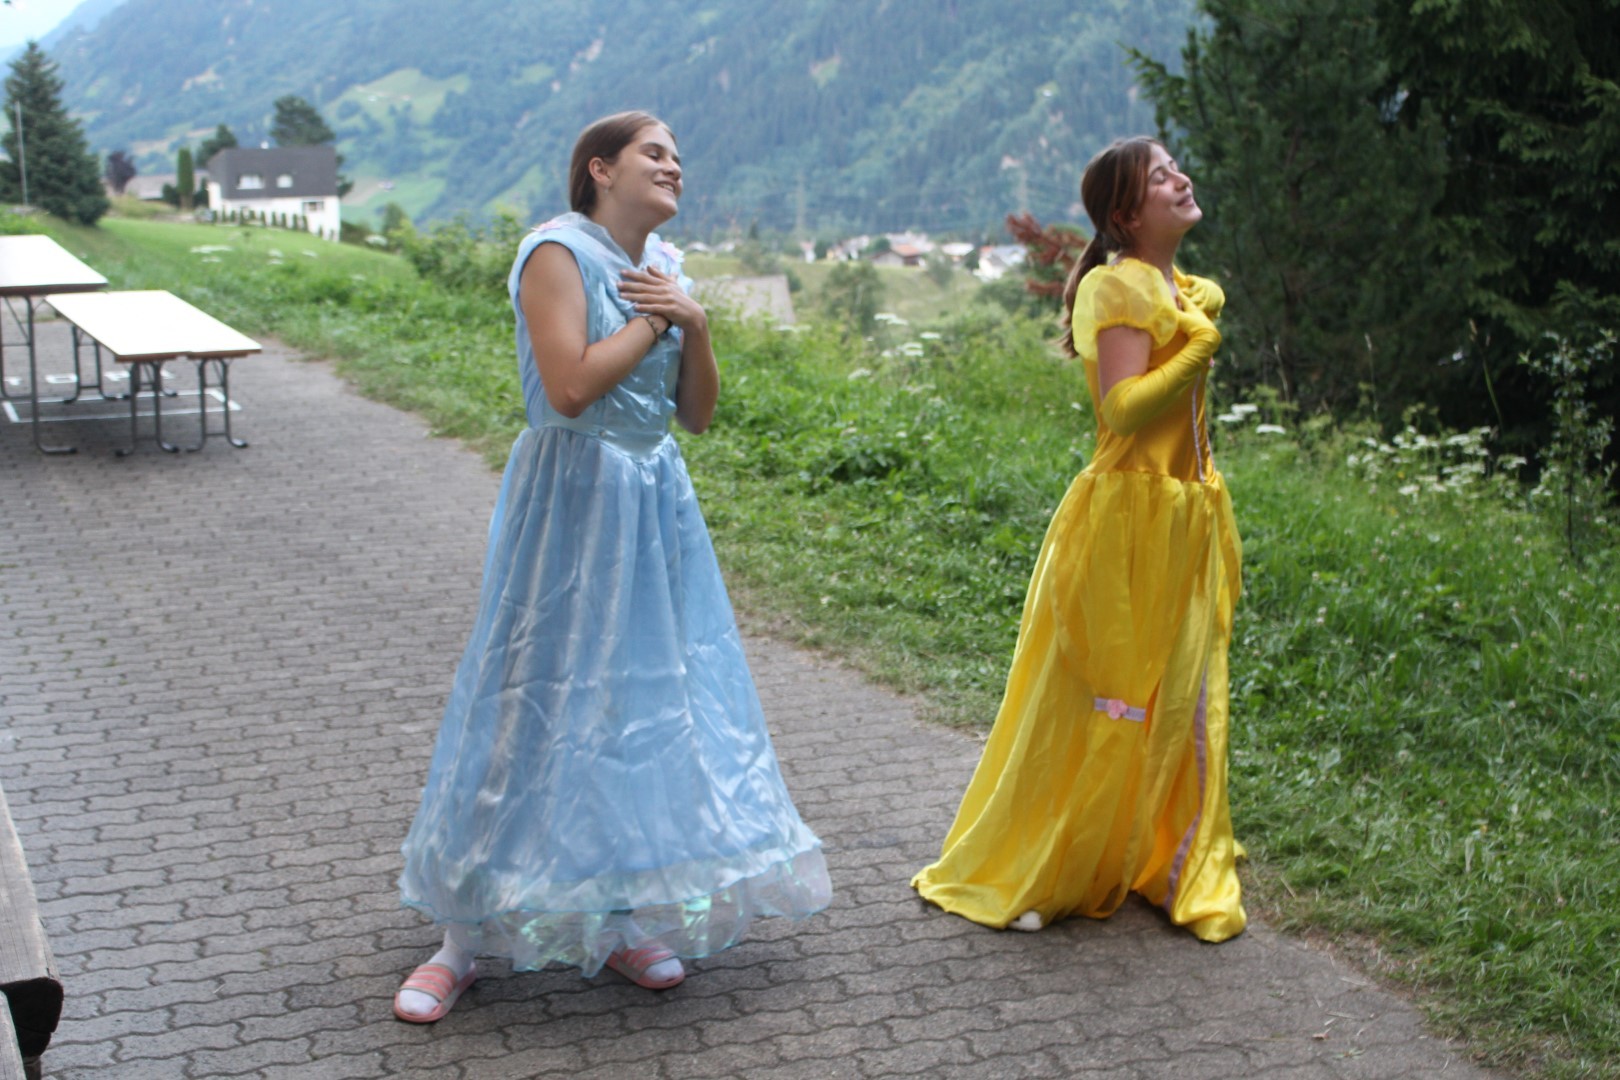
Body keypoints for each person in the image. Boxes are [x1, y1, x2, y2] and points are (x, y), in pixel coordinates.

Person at [394, 111, 831, 1023]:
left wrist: (694, 324)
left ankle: (620, 915)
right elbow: (569, 386)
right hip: (573, 498)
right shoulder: (554, 252)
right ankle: (460, 940)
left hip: (652, 501)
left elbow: (694, 416)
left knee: (639, 706)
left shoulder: (667, 270)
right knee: (528, 699)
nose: (675, 167)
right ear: (601, 168)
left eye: (679, 156)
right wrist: (653, 317)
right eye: (654, 153)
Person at [911, 136, 1245, 943]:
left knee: (1182, 693)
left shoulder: (1176, 288)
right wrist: (1198, 348)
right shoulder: (1117, 286)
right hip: (1128, 519)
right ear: (1126, 213)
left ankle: (1157, 856)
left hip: (1188, 514)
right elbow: (1122, 409)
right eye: (1161, 176)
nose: (1181, 178)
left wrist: (1194, 316)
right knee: (1109, 696)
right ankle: (1056, 864)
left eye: (1175, 166)